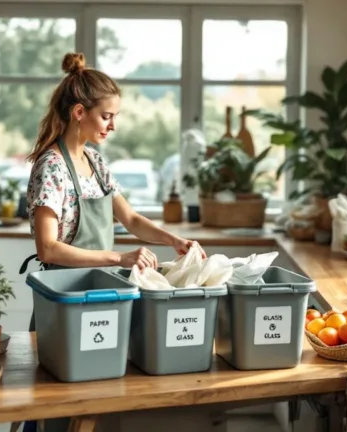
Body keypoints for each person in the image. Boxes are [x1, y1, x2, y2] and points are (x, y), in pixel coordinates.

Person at [18, 51, 206, 328]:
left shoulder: (94, 161)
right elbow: (47, 249)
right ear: (79, 112)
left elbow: (129, 219)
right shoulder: (51, 167)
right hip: (63, 294)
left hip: (99, 289)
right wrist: (121, 258)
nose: (113, 126)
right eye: (107, 116)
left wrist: (175, 241)